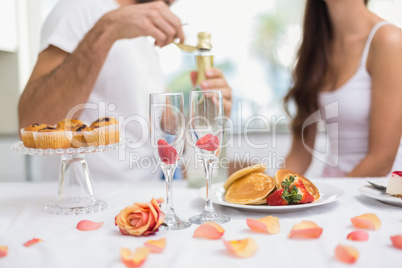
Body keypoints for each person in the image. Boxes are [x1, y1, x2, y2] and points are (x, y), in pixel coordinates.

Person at [18, 0, 232, 181]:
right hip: (88, 205)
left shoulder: (146, 44)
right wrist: (109, 27)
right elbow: (31, 122)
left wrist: (204, 114)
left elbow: (168, 128)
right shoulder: (81, 8)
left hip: (146, 205)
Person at [284, 0, 402, 177]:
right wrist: (268, 193)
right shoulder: (315, 48)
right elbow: (300, 155)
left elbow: (381, 161)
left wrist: (333, 197)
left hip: (378, 192)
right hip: (337, 182)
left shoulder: (388, 40)